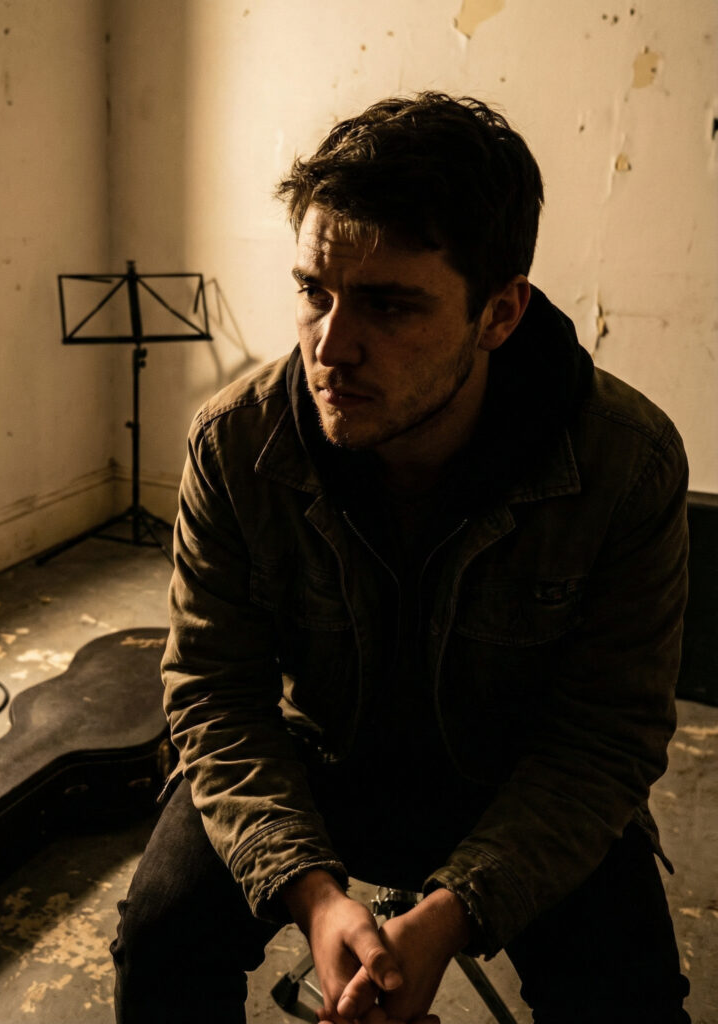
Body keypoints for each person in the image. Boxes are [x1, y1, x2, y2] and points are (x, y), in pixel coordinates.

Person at [110, 92, 691, 1024]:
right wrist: (310, 889)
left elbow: (605, 739)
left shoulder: (628, 464)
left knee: (628, 995)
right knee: (161, 936)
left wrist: (458, 911)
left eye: (390, 306)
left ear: (499, 314)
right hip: (316, 759)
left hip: (519, 774)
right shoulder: (233, 444)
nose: (331, 347)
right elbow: (215, 694)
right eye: (314, 292)